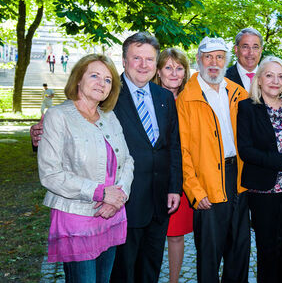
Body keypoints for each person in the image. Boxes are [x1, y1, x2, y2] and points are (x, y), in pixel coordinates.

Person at [31, 32, 182, 283]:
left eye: (150, 59)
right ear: (124, 60)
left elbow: (172, 146)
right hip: (120, 204)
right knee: (119, 273)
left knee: (150, 269)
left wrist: (174, 186)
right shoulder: (107, 96)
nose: (144, 65)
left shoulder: (163, 97)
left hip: (156, 199)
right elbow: (71, 125)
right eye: (137, 58)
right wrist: (37, 134)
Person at [38, 54, 134, 282]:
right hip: (77, 217)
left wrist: (119, 195)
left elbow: (127, 160)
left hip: (110, 214)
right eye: (95, 75)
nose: (102, 83)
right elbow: (50, 174)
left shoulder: (109, 117)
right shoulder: (57, 116)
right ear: (78, 79)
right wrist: (101, 193)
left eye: (108, 80)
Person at [177, 37, 250, 283]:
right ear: (198, 60)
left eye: (219, 57)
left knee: (239, 251)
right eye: (208, 57)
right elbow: (182, 150)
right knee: (209, 254)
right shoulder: (186, 97)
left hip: (238, 179)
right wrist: (194, 190)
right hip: (206, 182)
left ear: (226, 61)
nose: (213, 63)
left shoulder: (238, 92)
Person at [237, 56, 282, 282]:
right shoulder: (247, 108)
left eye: (281, 76)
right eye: (269, 75)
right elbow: (246, 151)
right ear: (259, 80)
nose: (275, 81)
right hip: (263, 190)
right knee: (268, 248)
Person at [153, 48, 193, 283]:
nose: (174, 73)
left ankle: (174, 280)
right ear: (159, 71)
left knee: (176, 235)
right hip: (153, 175)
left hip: (183, 176)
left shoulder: (190, 99)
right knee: (152, 235)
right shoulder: (147, 96)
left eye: (179, 68)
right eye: (168, 67)